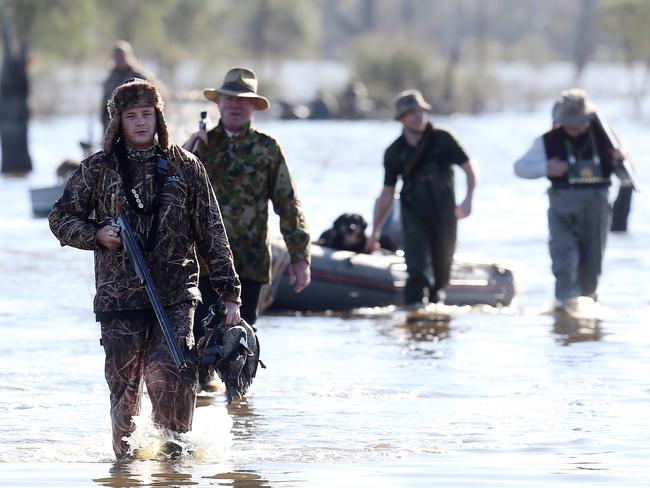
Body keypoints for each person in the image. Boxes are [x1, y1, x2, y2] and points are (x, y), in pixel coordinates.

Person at [49, 79, 242, 460]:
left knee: (171, 373)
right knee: (124, 387)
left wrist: (230, 294)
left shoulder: (186, 167)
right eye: (130, 116)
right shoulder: (98, 169)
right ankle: (125, 468)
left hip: (175, 294)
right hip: (118, 296)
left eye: (146, 114)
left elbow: (212, 233)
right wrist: (97, 234)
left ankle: (176, 465)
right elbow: (60, 217)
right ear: (117, 122)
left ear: (159, 116)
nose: (140, 123)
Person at [184, 67, 311, 326]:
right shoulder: (200, 145)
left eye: (243, 100)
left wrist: (299, 256)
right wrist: (187, 148)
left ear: (254, 106)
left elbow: (288, 205)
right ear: (219, 103)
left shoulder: (268, 148)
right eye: (229, 98)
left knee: (241, 341)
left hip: (249, 262)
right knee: (199, 339)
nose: (235, 105)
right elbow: (171, 192)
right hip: (206, 262)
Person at [514, 88, 624, 309]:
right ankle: (564, 313)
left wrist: (621, 158)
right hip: (562, 207)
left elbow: (625, 175)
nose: (574, 127)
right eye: (569, 122)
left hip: (597, 207)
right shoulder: (548, 140)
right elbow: (520, 168)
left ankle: (587, 315)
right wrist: (547, 168)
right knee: (564, 261)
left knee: (592, 269)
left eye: (578, 122)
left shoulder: (605, 135)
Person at [366, 89, 478, 306]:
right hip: (413, 214)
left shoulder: (443, 139)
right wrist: (375, 230)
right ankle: (414, 315)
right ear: (401, 118)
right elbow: (387, 192)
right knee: (416, 268)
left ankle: (435, 312)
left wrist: (468, 199)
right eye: (411, 113)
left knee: (442, 270)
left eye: (421, 111)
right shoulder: (394, 152)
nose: (418, 116)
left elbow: (470, 169)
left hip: (445, 213)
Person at [100, 41, 149, 134]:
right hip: (114, 123)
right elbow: (105, 102)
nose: (120, 59)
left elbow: (153, 96)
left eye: (122, 56)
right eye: (117, 56)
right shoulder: (111, 77)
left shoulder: (138, 75)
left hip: (136, 122)